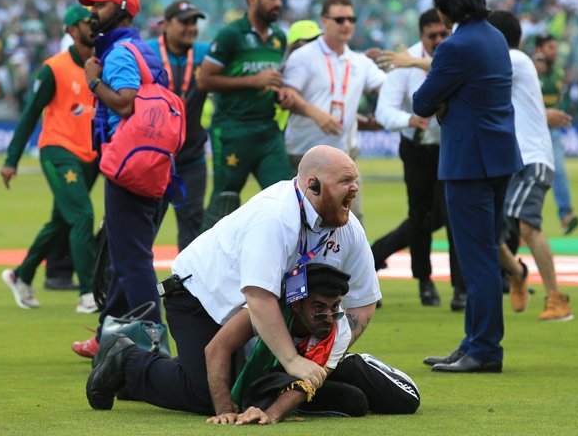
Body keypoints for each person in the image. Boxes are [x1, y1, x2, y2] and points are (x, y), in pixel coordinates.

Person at [84, 145, 381, 413]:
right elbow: (259, 296)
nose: (354, 188)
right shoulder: (275, 217)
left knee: (254, 392)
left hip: (249, 314)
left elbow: (363, 305)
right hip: (198, 297)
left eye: (355, 179)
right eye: (344, 181)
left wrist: (325, 354)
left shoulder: (349, 229)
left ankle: (145, 379)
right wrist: (292, 361)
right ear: (312, 185)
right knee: (206, 395)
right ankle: (126, 358)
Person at [413, 0, 523, 373]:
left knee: (476, 260)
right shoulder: (495, 36)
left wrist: (444, 102)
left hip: (468, 163)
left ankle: (485, 350)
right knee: (484, 253)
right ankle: (473, 340)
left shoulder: (454, 47)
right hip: (498, 158)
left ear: (445, 6)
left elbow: (422, 102)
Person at [71, 0, 168, 358]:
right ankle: (105, 334)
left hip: (129, 165)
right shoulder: (141, 48)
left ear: (125, 8)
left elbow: (125, 104)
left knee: (131, 261)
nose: (91, 12)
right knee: (126, 253)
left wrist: (92, 80)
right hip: (152, 162)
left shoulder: (120, 53)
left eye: (100, 4)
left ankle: (156, 347)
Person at [204, 263, 419, 425]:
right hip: (270, 373)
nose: (328, 316)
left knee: (406, 399)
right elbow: (216, 348)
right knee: (355, 402)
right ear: (296, 305)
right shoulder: (267, 310)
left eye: (334, 306)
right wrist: (225, 412)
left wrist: (270, 414)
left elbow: (308, 381)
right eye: (319, 308)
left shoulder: (339, 325)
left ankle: (348, 363)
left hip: (313, 372)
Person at [0, 4, 99, 313]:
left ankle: (21, 274)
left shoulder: (102, 64)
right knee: (82, 215)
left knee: (61, 221)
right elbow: (30, 114)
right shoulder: (53, 68)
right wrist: (11, 159)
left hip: (91, 156)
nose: (91, 25)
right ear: (71, 30)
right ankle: (87, 294)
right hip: (58, 150)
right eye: (85, 21)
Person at [371, 8, 465, 310]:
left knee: (451, 217)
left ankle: (460, 288)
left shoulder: (456, 54)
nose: (439, 40)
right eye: (432, 36)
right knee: (422, 216)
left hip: (451, 145)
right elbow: (383, 110)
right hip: (418, 148)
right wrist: (409, 119)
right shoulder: (404, 62)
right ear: (421, 36)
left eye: (443, 34)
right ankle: (425, 282)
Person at [488, 11, 573, 322]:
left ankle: (557, 298)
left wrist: (417, 63)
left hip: (533, 157)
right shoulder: (508, 66)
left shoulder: (514, 58)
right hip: (508, 160)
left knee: (528, 225)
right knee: (487, 230)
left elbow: (467, 70)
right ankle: (516, 271)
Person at [197, 0, 293, 229]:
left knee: (289, 200)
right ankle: (197, 269)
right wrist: (253, 81)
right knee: (224, 203)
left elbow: (269, 81)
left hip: (267, 131)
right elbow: (204, 80)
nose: (278, 3)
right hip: (232, 130)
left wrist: (278, 93)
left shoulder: (278, 38)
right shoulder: (231, 35)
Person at [282, 0, 386, 223]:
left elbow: (387, 88)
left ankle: (349, 260)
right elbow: (285, 97)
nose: (346, 24)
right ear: (324, 21)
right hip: (303, 152)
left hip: (343, 153)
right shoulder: (303, 57)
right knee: (301, 219)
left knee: (351, 218)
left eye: (351, 19)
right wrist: (315, 113)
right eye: (340, 19)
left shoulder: (360, 62)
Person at [147, 0, 209, 251]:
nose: (191, 28)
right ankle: (115, 287)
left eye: (194, 22)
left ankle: (187, 289)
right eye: (184, 22)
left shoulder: (206, 53)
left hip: (191, 157)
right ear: (166, 24)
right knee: (143, 225)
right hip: (153, 158)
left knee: (192, 229)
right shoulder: (147, 52)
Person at [533, 34, 578, 236]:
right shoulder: (528, 68)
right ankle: (520, 221)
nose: (555, 51)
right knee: (528, 174)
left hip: (551, 130)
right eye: (551, 47)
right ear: (540, 48)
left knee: (558, 171)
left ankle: (566, 214)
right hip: (530, 130)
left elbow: (560, 98)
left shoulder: (558, 73)